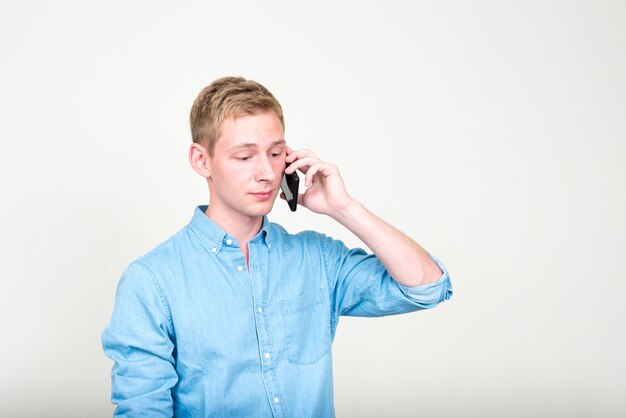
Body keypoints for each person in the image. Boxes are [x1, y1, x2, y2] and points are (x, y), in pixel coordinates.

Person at [102, 76, 453, 417]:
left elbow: (428, 287)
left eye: (275, 153)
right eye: (244, 157)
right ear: (201, 160)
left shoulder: (316, 258)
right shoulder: (151, 281)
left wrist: (343, 208)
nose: (268, 173)